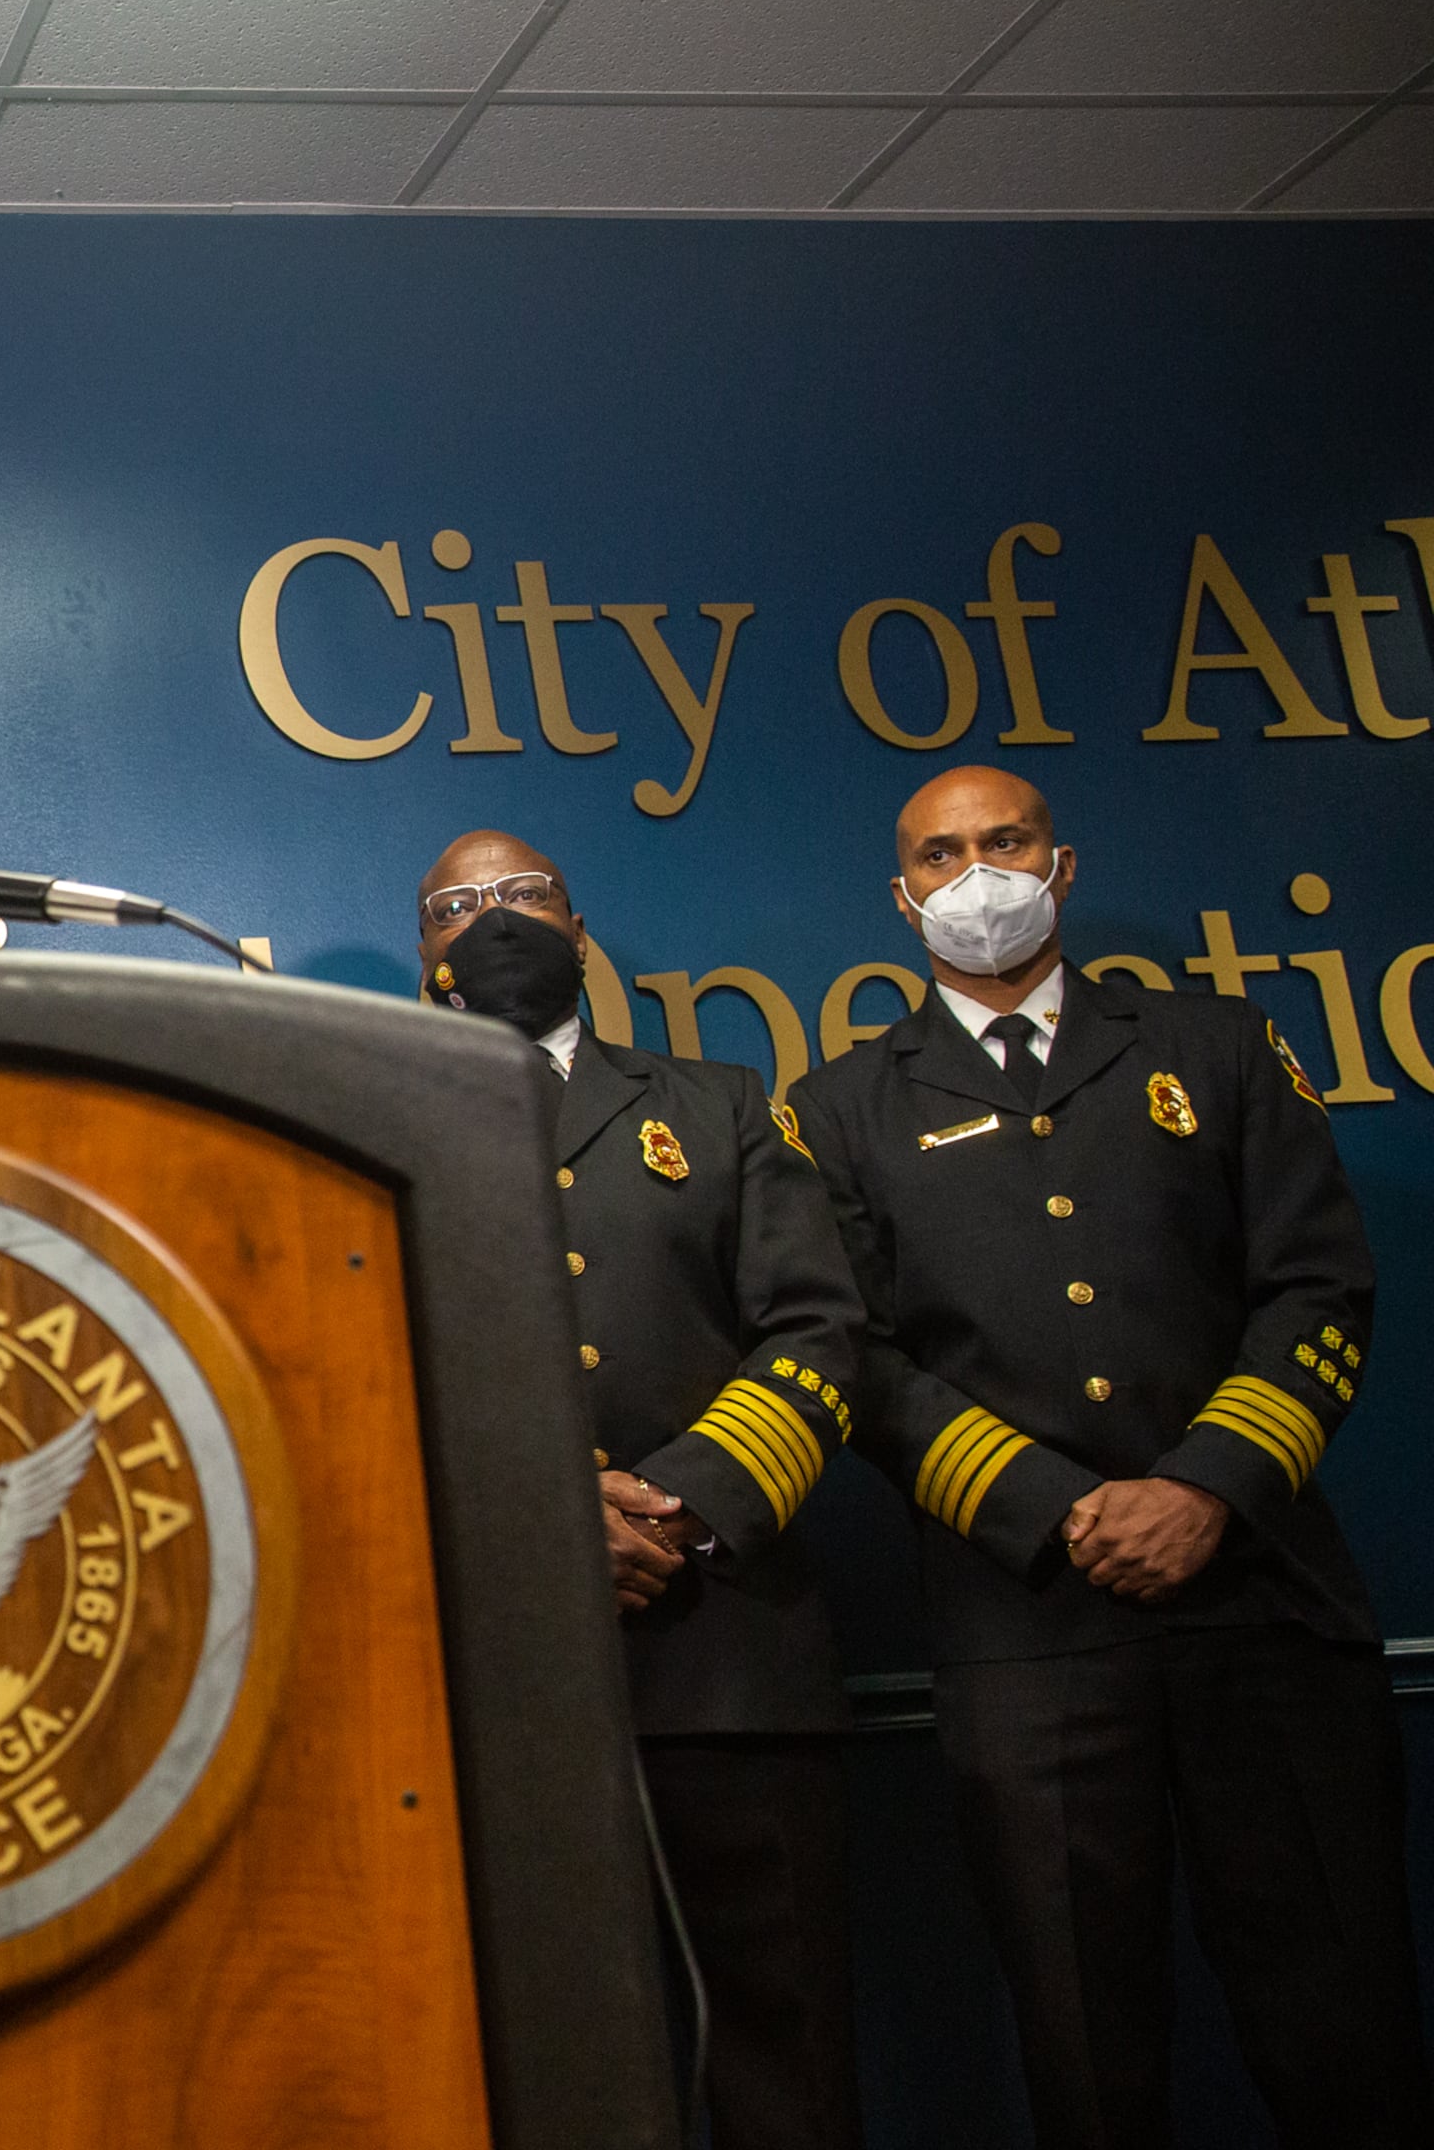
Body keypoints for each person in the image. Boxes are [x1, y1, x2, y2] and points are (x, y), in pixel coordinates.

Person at [792, 765, 1425, 2148]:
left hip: (1261, 1606)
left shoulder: (1216, 1044)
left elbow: (1318, 1287)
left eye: (1005, 841)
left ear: (1061, 864)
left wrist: (1204, 1486)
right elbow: (860, 1365)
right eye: (942, 855)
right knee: (1087, 2052)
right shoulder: (839, 1108)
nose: (978, 874)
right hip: (1027, 1631)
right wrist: (1058, 1511)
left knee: (1347, 2031)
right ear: (901, 897)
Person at [416, 832, 865, 2149]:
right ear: (424, 950)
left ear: (581, 928)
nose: (496, 919)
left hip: (730, 1662)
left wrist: (677, 1506)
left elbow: (819, 1332)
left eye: (526, 897)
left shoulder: (720, 1105)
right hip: (501, 1681)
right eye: (458, 905)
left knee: (787, 2063)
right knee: (549, 2076)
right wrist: (553, 1529)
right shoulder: (380, 1119)